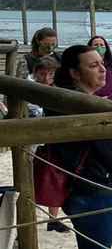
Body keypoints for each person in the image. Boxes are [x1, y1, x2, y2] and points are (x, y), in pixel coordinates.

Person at [51, 46, 112, 249]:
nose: (103, 69)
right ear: (75, 73)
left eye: (102, 63)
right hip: (94, 189)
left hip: (77, 187)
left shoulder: (61, 98)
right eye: (93, 65)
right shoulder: (85, 106)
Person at [27, 56, 67, 232]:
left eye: (50, 74)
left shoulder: (58, 90)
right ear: (36, 73)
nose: (46, 78)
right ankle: (27, 215)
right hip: (30, 139)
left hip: (51, 139)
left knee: (54, 176)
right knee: (28, 176)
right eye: (42, 74)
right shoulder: (26, 87)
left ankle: (53, 218)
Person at [88, 35, 112, 102]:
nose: (99, 47)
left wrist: (110, 97)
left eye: (102, 45)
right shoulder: (85, 64)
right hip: (92, 100)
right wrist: (96, 98)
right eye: (96, 45)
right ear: (90, 47)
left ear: (106, 48)